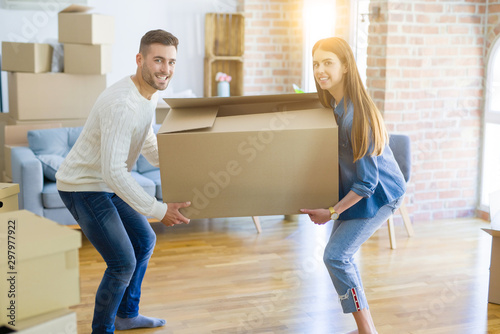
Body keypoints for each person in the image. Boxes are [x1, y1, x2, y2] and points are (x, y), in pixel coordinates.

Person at [56, 29, 191, 334]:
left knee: (145, 240)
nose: (165, 69)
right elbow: (115, 172)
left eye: (171, 62)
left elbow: (150, 148)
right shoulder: (123, 104)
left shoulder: (146, 96)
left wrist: (188, 159)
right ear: (140, 59)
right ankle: (102, 329)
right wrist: (159, 210)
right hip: (83, 186)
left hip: (104, 182)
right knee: (122, 263)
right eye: (158, 60)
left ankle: (126, 314)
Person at [300, 37, 406, 334]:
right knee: (339, 256)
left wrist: (332, 212)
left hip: (381, 193)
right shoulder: (333, 105)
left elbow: (367, 183)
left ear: (345, 66)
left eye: (328, 63)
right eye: (316, 63)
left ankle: (367, 330)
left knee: (336, 256)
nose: (320, 70)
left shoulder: (358, 116)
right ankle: (365, 328)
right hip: (359, 189)